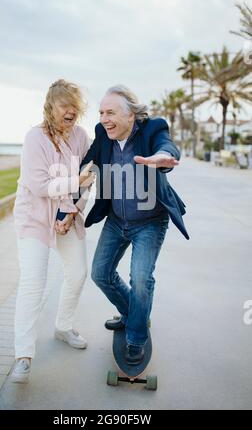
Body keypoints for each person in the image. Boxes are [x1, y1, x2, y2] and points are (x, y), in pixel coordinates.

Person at [81, 85, 189, 365]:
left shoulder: (152, 128)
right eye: (101, 112)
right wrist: (69, 201)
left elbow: (166, 146)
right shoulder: (103, 134)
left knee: (141, 279)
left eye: (111, 113)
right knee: (100, 273)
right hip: (117, 220)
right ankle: (133, 313)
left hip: (150, 222)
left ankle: (136, 337)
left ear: (131, 116)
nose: (104, 118)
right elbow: (87, 163)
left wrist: (162, 159)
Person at [11, 79, 94, 383]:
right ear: (51, 107)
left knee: (78, 272)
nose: (70, 111)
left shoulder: (82, 136)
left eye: (75, 105)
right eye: (64, 105)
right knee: (33, 283)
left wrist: (71, 211)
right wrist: (76, 185)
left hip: (67, 216)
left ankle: (63, 326)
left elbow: (91, 176)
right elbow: (40, 186)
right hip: (34, 217)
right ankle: (23, 355)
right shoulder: (35, 138)